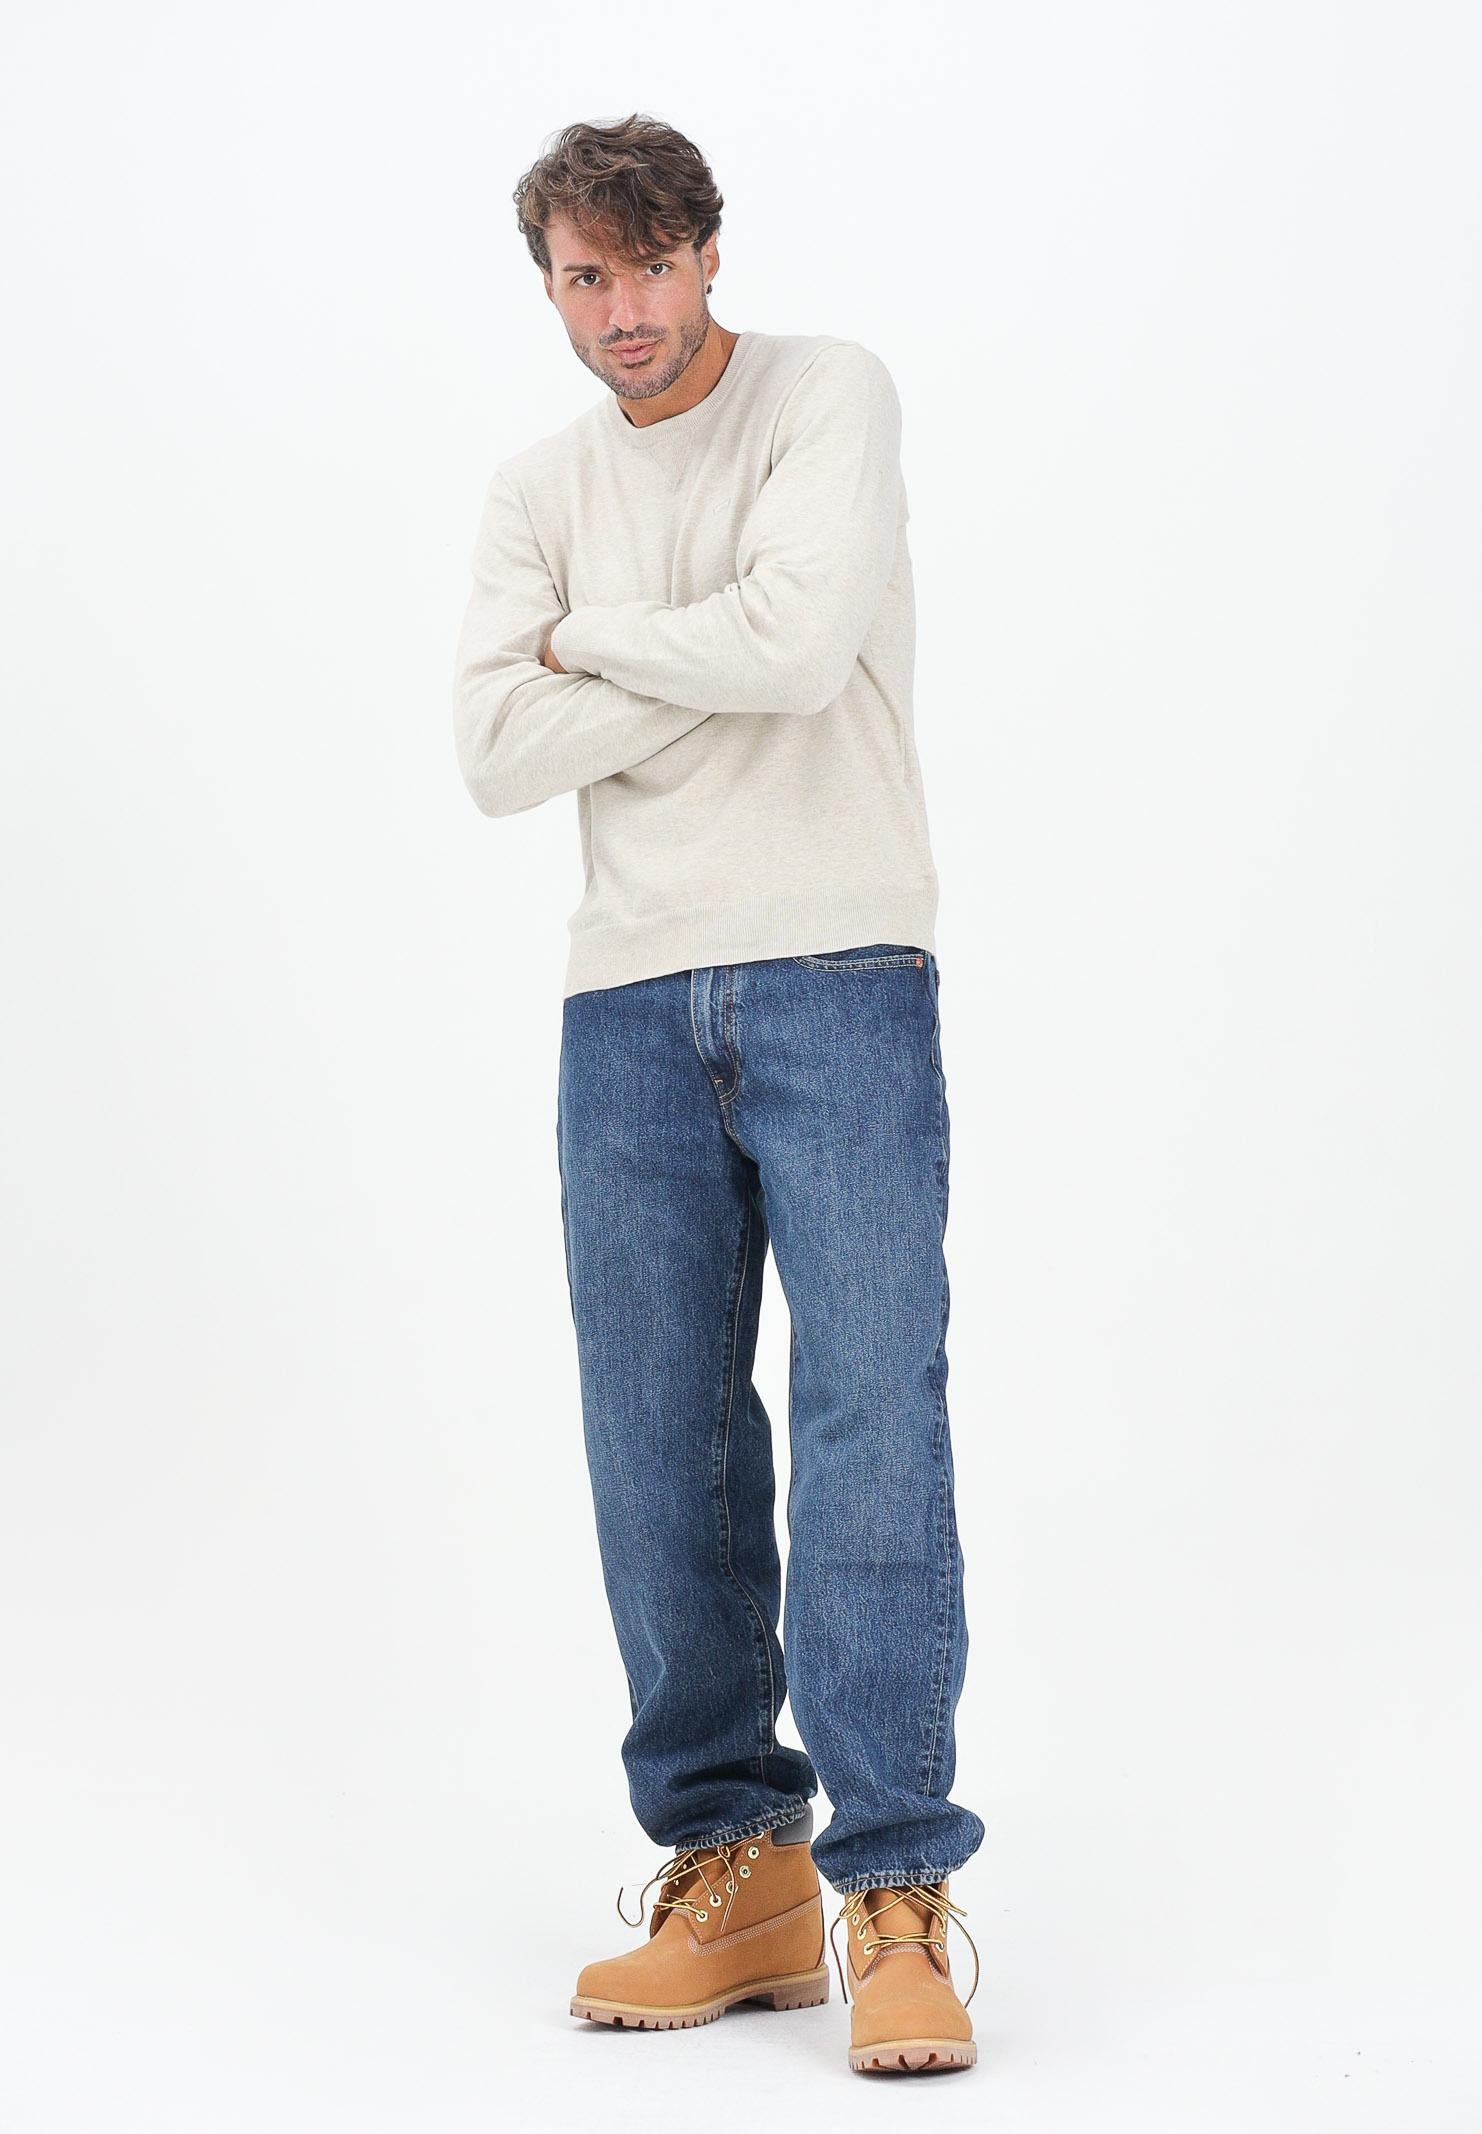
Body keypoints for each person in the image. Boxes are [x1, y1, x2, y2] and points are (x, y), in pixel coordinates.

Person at [452, 112, 984, 2077]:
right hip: (623, 999)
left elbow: (804, 638)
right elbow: (492, 751)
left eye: (650, 265)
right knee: (656, 1436)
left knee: (868, 1417)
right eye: (585, 276)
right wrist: (704, 651)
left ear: (708, 254)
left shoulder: (828, 395)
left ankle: (897, 1885)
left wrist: (589, 643)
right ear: (552, 286)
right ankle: (735, 1862)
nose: (624, 310)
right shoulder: (536, 487)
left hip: (841, 962)